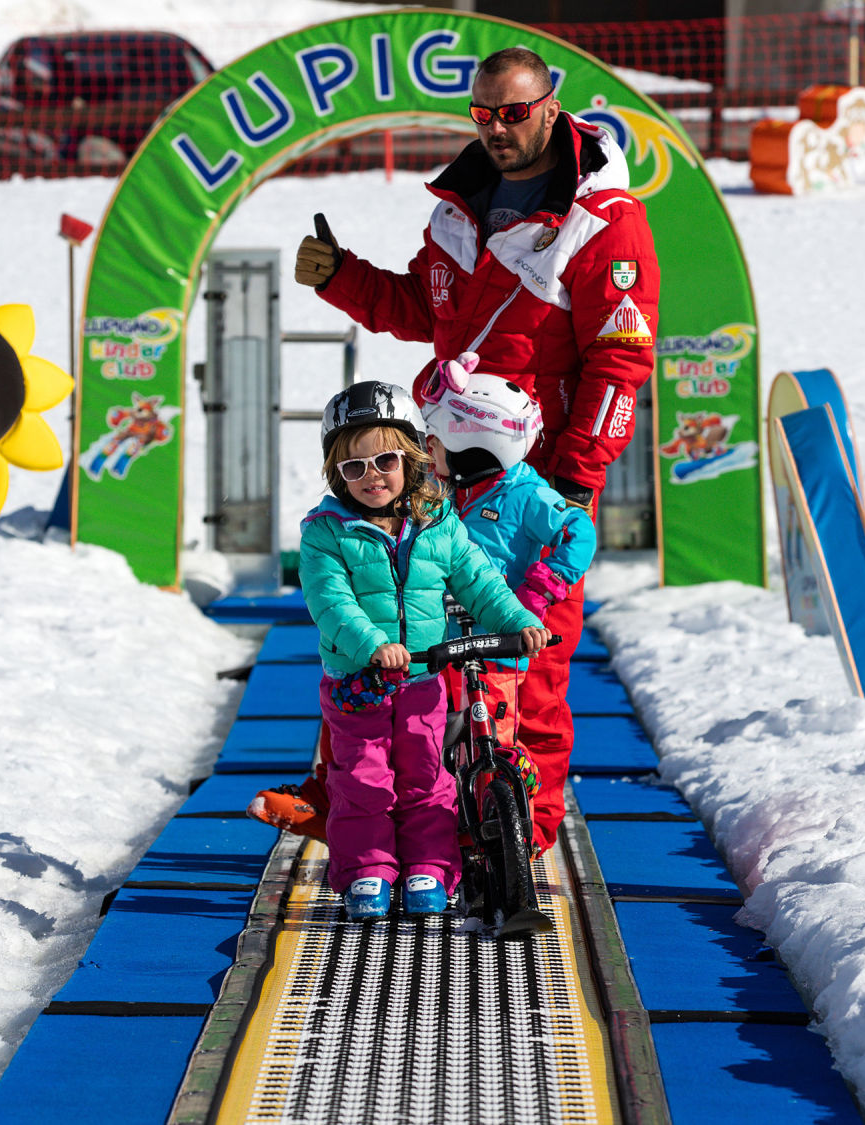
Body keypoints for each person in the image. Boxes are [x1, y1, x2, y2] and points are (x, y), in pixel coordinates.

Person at [293, 45, 659, 850]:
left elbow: (619, 363)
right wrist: (341, 276)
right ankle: (357, 798)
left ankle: (520, 830)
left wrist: (573, 479)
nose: (497, 128)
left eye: (514, 112)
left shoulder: (603, 221)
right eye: (484, 113)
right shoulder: (459, 207)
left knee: (525, 653)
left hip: (535, 476)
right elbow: (423, 310)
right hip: (442, 460)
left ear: (551, 107)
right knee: (396, 619)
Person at [251, 361, 596, 853]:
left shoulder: (519, 493)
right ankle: (340, 803)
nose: (425, 453)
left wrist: (537, 593)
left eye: (431, 443)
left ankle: (504, 832)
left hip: (490, 638)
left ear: (473, 445)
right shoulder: (440, 495)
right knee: (368, 714)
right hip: (427, 640)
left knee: (482, 735)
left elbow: (561, 538)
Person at [298, 380, 548, 920]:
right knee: (363, 778)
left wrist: (519, 622)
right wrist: (373, 645)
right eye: (354, 467)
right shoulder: (326, 534)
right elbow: (331, 601)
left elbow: (479, 581)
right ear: (337, 474)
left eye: (385, 461)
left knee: (427, 774)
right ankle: (367, 869)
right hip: (359, 681)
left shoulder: (438, 523)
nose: (372, 476)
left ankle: (429, 866)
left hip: (423, 678)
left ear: (411, 457)